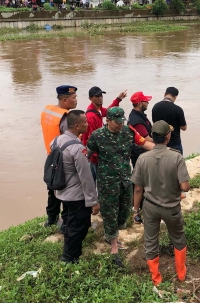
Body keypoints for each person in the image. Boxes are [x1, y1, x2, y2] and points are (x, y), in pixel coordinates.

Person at [86, 107, 154, 267]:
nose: (120, 125)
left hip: (125, 179)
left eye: (121, 121)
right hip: (107, 182)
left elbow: (144, 144)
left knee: (123, 210)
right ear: (107, 120)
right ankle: (113, 243)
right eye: (117, 122)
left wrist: (163, 150)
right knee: (109, 210)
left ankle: (113, 235)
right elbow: (87, 156)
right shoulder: (97, 136)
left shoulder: (128, 132)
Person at [131, 121, 190, 286]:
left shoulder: (142, 159)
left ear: (153, 138)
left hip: (150, 207)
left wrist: (136, 210)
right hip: (172, 206)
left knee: (151, 241)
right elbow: (185, 186)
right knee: (178, 238)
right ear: (168, 137)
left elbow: (137, 189)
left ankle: (156, 279)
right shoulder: (176, 156)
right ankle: (181, 274)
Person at [53, 110, 100, 263]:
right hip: (76, 196)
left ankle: (71, 247)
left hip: (61, 191)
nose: (88, 124)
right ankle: (69, 258)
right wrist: (93, 201)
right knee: (77, 227)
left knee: (70, 221)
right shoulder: (78, 149)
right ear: (77, 126)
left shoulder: (56, 140)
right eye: (85, 122)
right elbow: (86, 178)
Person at [40, 85, 78, 231]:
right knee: (67, 189)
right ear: (64, 100)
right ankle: (66, 224)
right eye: (73, 98)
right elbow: (69, 140)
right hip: (63, 159)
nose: (76, 100)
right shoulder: (66, 118)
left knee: (52, 188)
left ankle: (51, 218)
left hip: (50, 157)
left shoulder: (48, 110)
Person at [81, 86, 127, 181]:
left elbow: (109, 111)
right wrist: (99, 158)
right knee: (97, 181)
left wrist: (118, 99)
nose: (100, 98)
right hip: (95, 157)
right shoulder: (91, 116)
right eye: (96, 96)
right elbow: (92, 139)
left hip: (98, 154)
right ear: (90, 98)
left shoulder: (99, 110)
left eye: (101, 95)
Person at [151, 87, 187, 155]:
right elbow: (184, 128)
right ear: (175, 96)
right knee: (176, 163)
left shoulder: (155, 107)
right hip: (174, 143)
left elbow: (155, 124)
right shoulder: (177, 109)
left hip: (159, 143)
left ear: (164, 94)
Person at [127, 91, 153, 168]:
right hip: (141, 156)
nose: (148, 102)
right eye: (146, 101)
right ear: (139, 104)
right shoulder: (136, 121)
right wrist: (162, 139)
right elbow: (147, 139)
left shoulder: (138, 115)